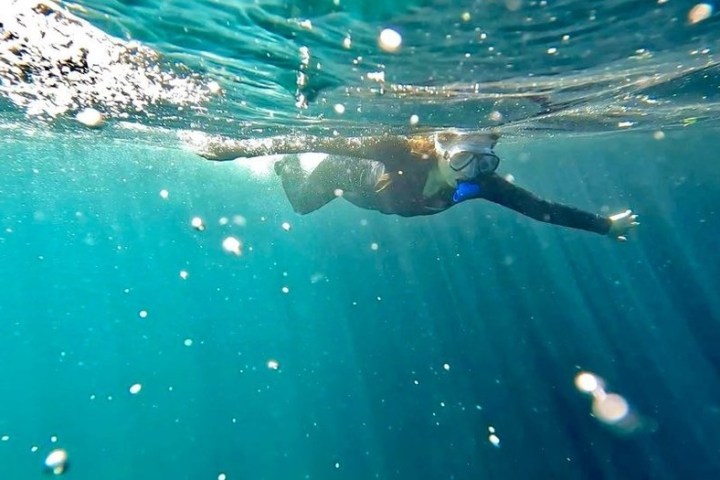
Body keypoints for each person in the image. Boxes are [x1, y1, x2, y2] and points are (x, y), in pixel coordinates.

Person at [198, 130, 639, 240]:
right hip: (345, 176)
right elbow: (317, 138)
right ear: (440, 148)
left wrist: (606, 226)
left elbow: (543, 209)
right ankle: (288, 167)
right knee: (301, 205)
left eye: (483, 161)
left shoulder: (484, 183)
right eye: (463, 159)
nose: (472, 171)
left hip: (383, 204)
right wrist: (241, 148)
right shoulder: (398, 151)